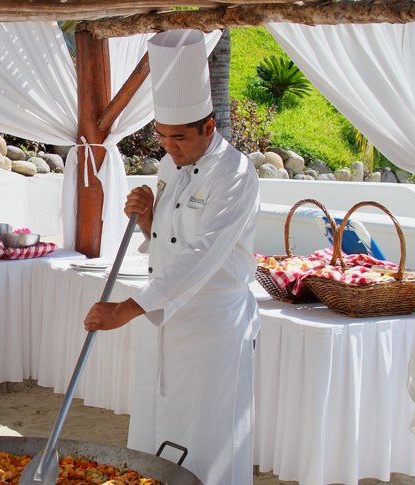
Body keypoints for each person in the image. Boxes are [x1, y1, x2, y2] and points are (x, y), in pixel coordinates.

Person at [83, 30, 260, 485]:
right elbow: (168, 241)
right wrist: (146, 219)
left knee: (207, 429)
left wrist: (129, 307)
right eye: (161, 137)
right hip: (164, 315)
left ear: (209, 127)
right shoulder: (168, 165)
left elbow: (204, 255)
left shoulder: (236, 174)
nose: (168, 147)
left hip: (211, 323)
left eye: (178, 137)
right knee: (158, 415)